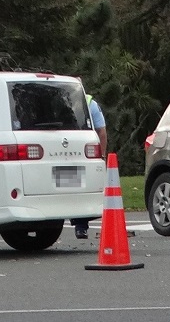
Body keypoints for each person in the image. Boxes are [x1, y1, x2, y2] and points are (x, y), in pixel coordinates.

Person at [74, 93, 108, 239]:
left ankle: (81, 225)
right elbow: (102, 132)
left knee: (78, 188)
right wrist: (102, 156)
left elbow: (101, 131)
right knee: (81, 188)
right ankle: (80, 227)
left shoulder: (89, 103)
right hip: (80, 151)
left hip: (74, 151)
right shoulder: (90, 103)